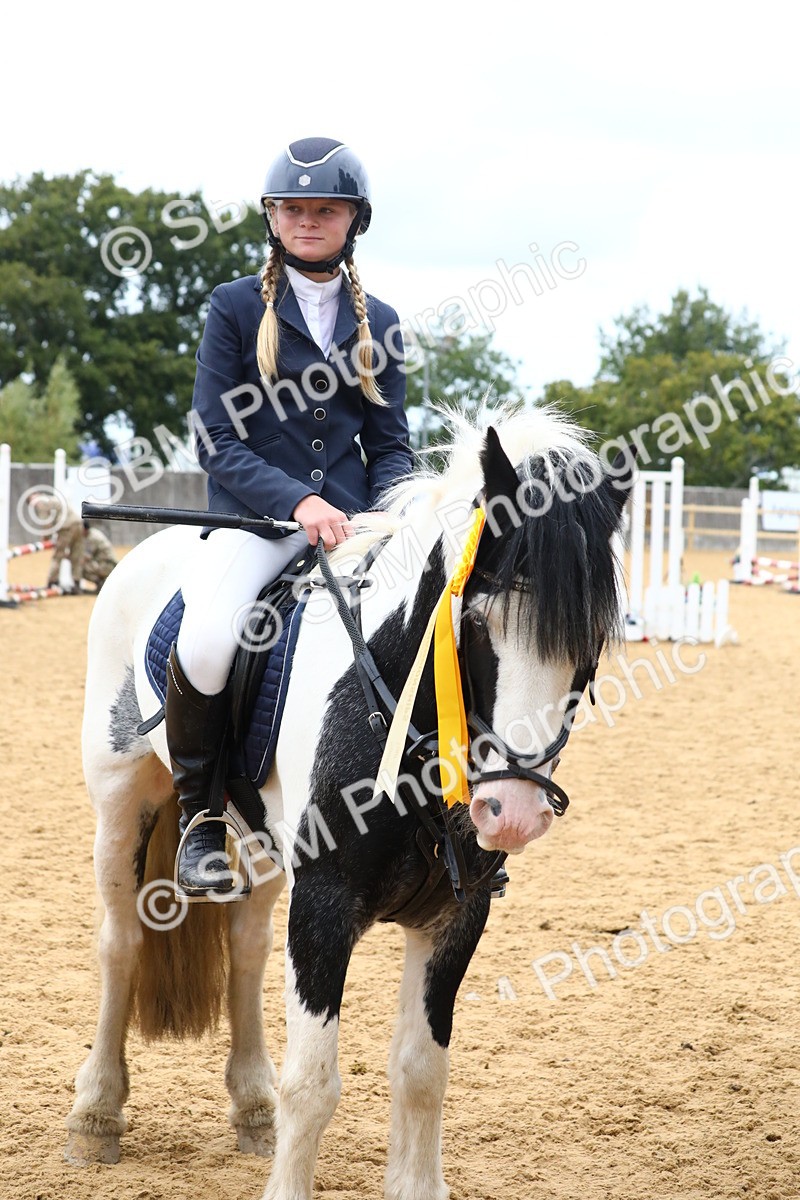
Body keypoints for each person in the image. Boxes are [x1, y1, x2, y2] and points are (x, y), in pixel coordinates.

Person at [167, 137, 412, 897]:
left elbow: (391, 445)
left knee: (432, 622)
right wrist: (296, 501)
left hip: (353, 529)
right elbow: (215, 436)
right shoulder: (235, 306)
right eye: (294, 208)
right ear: (273, 217)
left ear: (353, 220)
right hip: (256, 525)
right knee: (209, 640)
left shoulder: (381, 321)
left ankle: (446, 815)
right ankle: (201, 820)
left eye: (326, 209)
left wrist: (391, 515)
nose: (309, 220)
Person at [81, 523, 118, 592]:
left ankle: (101, 583)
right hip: (106, 563)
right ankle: (102, 583)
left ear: (84, 529)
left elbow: (87, 557)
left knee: (81, 568)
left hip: (107, 565)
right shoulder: (92, 533)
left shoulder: (93, 538)